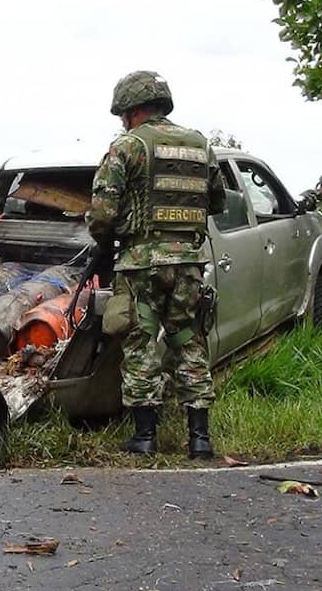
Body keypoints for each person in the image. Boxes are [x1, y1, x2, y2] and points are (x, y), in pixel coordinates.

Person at [85, 70, 225, 458]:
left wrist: (104, 240)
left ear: (130, 110)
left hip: (141, 265)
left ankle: (145, 437)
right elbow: (217, 202)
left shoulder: (127, 146)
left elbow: (102, 213)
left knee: (141, 343)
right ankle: (200, 440)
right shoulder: (200, 145)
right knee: (188, 340)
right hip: (190, 263)